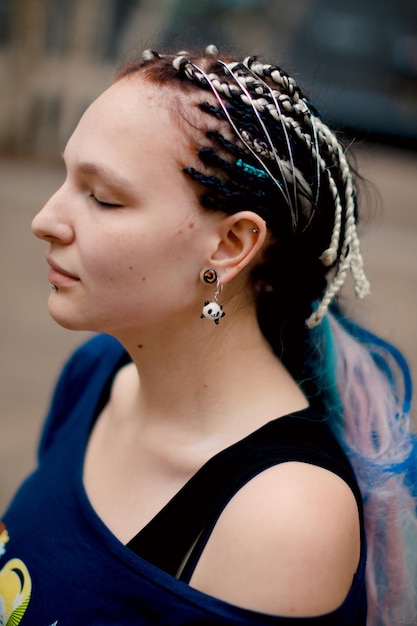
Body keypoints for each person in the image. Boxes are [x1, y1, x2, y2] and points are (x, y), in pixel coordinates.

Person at [1, 44, 416, 626]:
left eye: (103, 197)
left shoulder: (281, 516)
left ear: (231, 245)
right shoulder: (97, 375)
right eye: (65, 178)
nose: (44, 220)